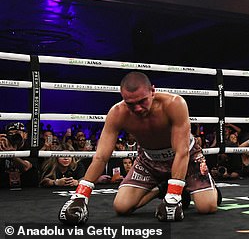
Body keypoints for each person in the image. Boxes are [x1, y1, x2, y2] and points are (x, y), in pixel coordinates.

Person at [58, 71, 220, 225]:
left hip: (186, 158)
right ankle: (161, 188)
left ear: (152, 91)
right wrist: (81, 195)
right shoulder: (117, 113)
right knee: (122, 207)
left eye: (142, 101)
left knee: (207, 207)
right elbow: (101, 157)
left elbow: (181, 152)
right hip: (149, 160)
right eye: (131, 104)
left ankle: (193, 189)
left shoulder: (174, 104)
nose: (137, 108)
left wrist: (174, 195)